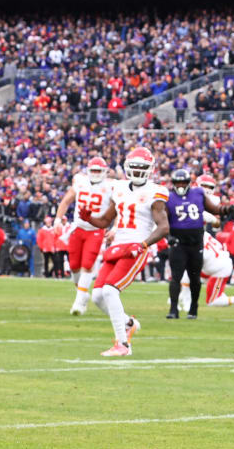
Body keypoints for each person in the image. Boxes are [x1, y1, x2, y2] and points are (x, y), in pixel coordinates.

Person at [85, 146, 169, 357]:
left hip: (135, 247)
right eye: (134, 167)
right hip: (116, 246)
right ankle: (129, 323)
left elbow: (163, 227)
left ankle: (122, 344)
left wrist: (143, 244)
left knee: (110, 291)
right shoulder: (119, 187)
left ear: (150, 169)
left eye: (142, 167)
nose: (138, 171)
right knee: (97, 296)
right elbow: (105, 220)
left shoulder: (155, 192)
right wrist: (89, 218)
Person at [164, 168, 225, 319]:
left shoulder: (200, 195)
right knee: (176, 277)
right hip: (178, 241)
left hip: (197, 240)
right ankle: (173, 308)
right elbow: (163, 220)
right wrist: (169, 236)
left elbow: (216, 219)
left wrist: (225, 211)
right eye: (178, 183)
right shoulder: (169, 197)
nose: (180, 185)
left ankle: (193, 307)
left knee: (194, 278)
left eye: (210, 187)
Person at [56, 156, 113, 316]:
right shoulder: (80, 181)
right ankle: (82, 293)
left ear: (104, 172)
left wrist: (114, 228)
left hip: (96, 230)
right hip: (78, 228)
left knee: (87, 265)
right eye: (93, 170)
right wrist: (58, 219)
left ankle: (79, 301)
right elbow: (66, 201)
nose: (95, 174)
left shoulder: (111, 186)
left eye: (98, 171)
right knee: (74, 265)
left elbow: (120, 208)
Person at [176, 231, 234, 311]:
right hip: (215, 265)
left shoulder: (198, 248)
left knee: (212, 301)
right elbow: (219, 245)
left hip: (219, 272)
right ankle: (183, 300)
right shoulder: (204, 234)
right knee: (187, 275)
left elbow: (195, 263)